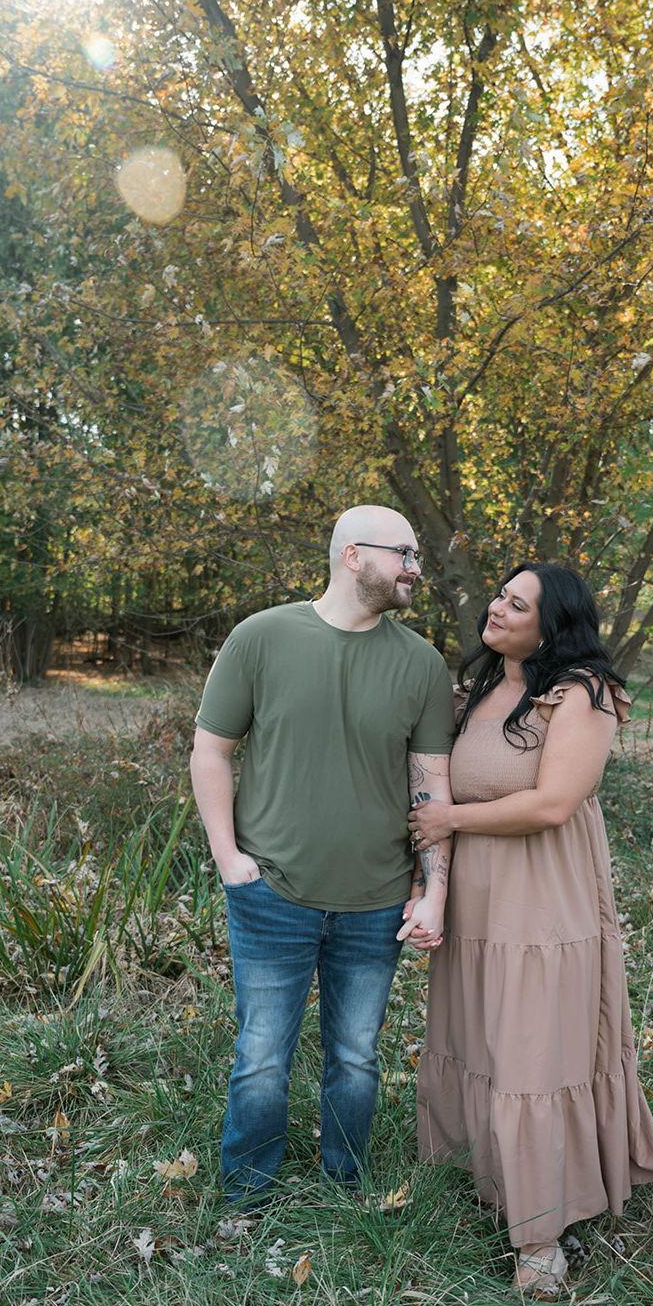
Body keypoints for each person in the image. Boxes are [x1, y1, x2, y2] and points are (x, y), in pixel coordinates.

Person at [409, 563, 653, 1296]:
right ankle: (488, 1178)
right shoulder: (479, 688)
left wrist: (449, 818)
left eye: (517, 604)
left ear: (552, 625)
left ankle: (540, 1238)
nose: (497, 608)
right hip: (477, 900)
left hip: (542, 901)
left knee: (533, 1055)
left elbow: (554, 803)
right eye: (500, 594)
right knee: (482, 1039)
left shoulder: (582, 694)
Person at [190, 506, 455, 1208]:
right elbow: (211, 750)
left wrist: (433, 891)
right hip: (271, 891)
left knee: (356, 1057)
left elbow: (432, 786)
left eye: (417, 555)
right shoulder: (262, 637)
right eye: (403, 553)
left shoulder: (422, 664)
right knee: (260, 1056)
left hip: (376, 900)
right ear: (352, 555)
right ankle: (248, 1195)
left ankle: (344, 1187)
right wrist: (228, 858)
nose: (415, 568)